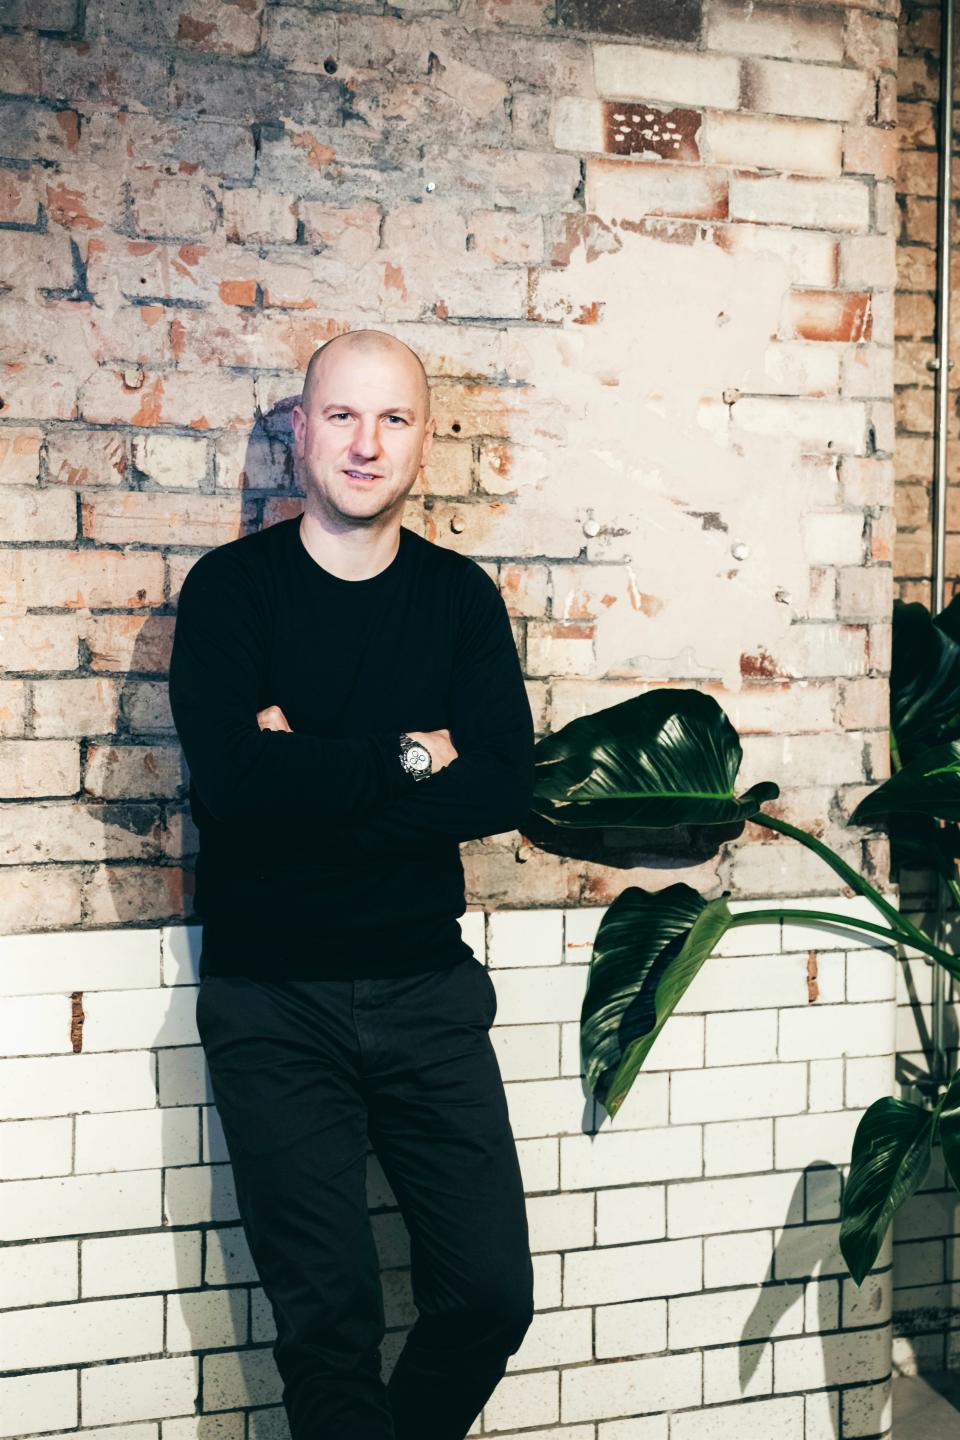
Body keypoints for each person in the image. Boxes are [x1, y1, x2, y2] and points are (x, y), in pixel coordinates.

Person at [168, 328, 537, 1439]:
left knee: (489, 1296)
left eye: (393, 419)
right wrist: (412, 753)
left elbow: (506, 785)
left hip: (428, 992)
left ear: (425, 438)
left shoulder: (459, 599)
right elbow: (233, 785)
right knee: (328, 1326)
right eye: (342, 416)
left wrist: (306, 779)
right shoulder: (233, 591)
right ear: (298, 431)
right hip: (273, 1005)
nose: (366, 444)